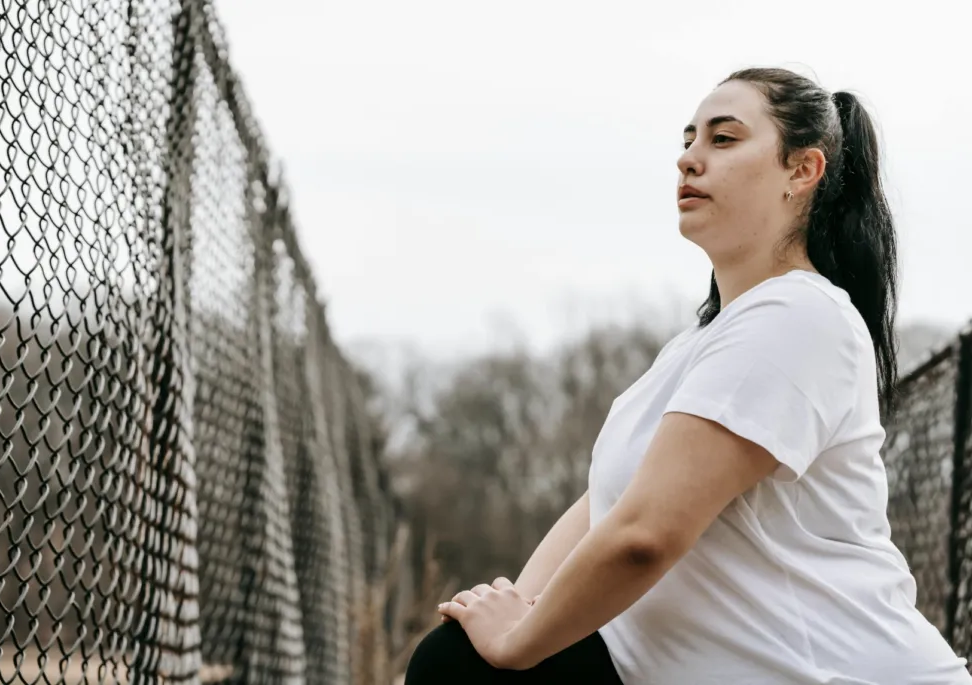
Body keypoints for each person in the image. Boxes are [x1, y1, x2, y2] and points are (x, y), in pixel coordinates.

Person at [403, 66, 972, 684]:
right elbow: (606, 506)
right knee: (456, 659)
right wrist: (512, 614)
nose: (689, 160)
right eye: (688, 140)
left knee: (460, 668)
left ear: (802, 171)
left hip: (843, 675)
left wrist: (516, 646)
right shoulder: (696, 346)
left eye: (723, 139)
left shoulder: (799, 315)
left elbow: (644, 534)